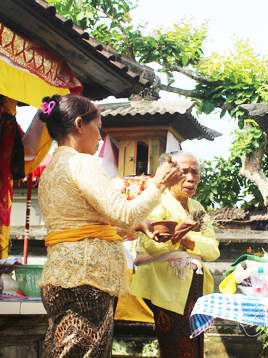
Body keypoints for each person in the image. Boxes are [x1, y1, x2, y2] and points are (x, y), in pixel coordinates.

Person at [35, 94, 183, 358]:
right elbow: (123, 213)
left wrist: (140, 225)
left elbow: (87, 223)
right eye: (98, 127)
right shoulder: (81, 162)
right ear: (79, 125)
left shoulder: (51, 169)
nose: (101, 137)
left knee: (62, 350)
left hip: (63, 274)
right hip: (86, 276)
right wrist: (158, 184)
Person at [130, 151, 220, 358]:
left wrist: (184, 239)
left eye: (195, 172)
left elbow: (213, 250)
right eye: (184, 172)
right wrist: (184, 235)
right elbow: (150, 245)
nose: (191, 178)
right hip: (165, 285)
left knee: (195, 341)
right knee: (175, 342)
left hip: (193, 285)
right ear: (170, 175)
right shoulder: (157, 203)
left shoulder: (197, 208)